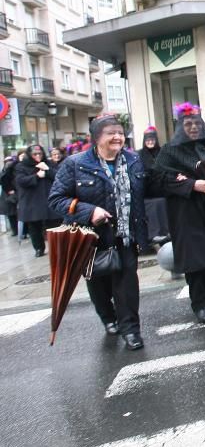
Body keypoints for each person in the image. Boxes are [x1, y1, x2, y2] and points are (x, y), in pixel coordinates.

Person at [49, 114, 149, 349]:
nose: (117, 137)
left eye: (120, 133)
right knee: (99, 286)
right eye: (111, 133)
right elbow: (56, 199)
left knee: (127, 285)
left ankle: (131, 330)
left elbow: (149, 187)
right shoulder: (75, 164)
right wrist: (89, 210)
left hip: (125, 236)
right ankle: (108, 318)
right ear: (96, 138)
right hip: (91, 240)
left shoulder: (133, 160)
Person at [153, 103, 205, 323]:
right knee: (196, 260)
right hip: (187, 213)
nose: (193, 127)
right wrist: (193, 185)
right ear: (180, 126)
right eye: (188, 124)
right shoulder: (169, 151)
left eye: (196, 123)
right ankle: (200, 302)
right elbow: (160, 180)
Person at [16, 144, 61, 257]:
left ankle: (57, 246)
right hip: (32, 201)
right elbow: (21, 181)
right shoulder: (21, 166)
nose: (38, 156)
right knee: (34, 226)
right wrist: (36, 176)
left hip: (49, 199)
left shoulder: (49, 163)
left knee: (54, 224)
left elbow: (60, 177)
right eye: (35, 154)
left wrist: (48, 169)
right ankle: (39, 248)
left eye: (40, 153)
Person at [138, 127, 169, 244]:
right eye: (148, 140)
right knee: (153, 205)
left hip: (162, 189)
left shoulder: (162, 152)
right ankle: (155, 234)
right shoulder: (139, 154)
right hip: (147, 192)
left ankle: (166, 232)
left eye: (152, 140)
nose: (150, 142)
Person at [1, 154, 19, 236]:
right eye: (6, 162)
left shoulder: (15, 170)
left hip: (15, 194)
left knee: (18, 214)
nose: (8, 163)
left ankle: (21, 231)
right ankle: (15, 230)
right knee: (11, 215)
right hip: (7, 196)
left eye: (10, 161)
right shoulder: (3, 172)